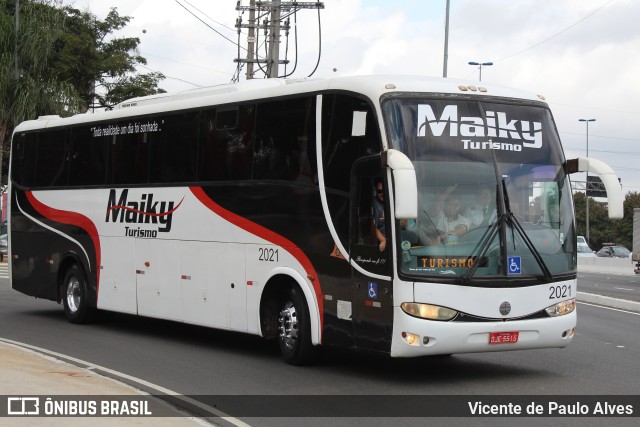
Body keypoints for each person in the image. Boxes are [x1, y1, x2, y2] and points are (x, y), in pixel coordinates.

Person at [373, 180, 387, 251]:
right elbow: (373, 225)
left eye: (385, 191)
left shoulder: (393, 201)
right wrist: (383, 240)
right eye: (379, 191)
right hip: (380, 244)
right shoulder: (374, 204)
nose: (382, 194)